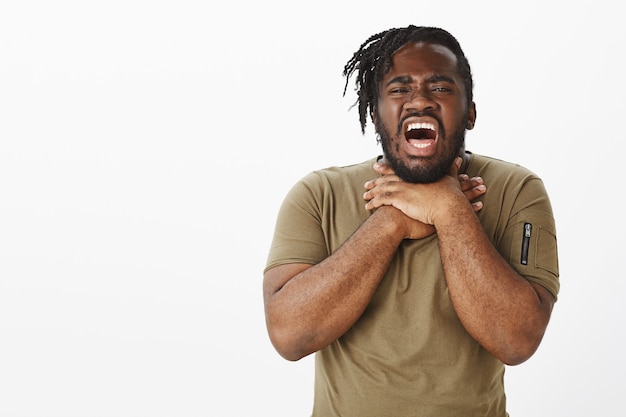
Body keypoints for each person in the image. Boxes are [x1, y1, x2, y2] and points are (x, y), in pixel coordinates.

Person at [263, 25, 559, 417]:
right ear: (375, 112)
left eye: (440, 88)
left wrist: (450, 209)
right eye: (400, 89)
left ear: (469, 112)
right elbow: (289, 336)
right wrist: (390, 223)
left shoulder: (516, 189)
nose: (420, 101)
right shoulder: (319, 194)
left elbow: (517, 340)